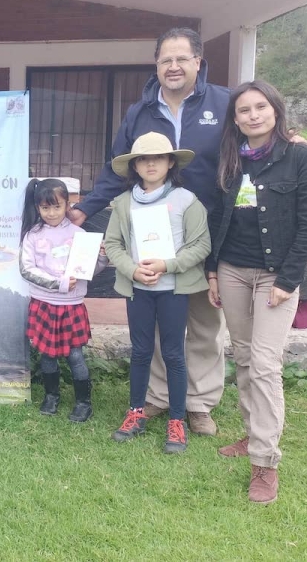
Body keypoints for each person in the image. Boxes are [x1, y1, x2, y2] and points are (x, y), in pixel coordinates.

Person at [67, 27, 228, 436]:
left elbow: (252, 144)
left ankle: (199, 402)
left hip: (203, 230)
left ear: (198, 62)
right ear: (156, 65)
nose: (173, 67)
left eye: (181, 58)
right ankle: (158, 396)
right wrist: (85, 208)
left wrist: (289, 140)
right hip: (149, 235)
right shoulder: (139, 112)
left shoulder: (224, 104)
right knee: (158, 321)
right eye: (164, 60)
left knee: (205, 322)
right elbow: (114, 166)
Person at [206, 81, 307, 503]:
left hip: (276, 276)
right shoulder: (231, 160)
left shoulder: (300, 155)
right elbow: (219, 218)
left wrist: (288, 280)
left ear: (275, 110)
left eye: (261, 107)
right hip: (232, 270)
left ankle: (264, 462)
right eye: (244, 110)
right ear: (235, 119)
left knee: (265, 365)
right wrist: (213, 271)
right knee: (242, 357)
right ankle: (251, 434)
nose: (253, 115)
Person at [103, 132, 211, 454]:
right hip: (138, 291)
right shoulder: (123, 203)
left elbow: (201, 245)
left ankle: (177, 420)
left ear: (170, 163)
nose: (151, 163)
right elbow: (113, 245)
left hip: (172, 291)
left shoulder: (186, 200)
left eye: (159, 158)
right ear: (134, 166)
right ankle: (135, 411)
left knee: (174, 353)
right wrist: (133, 270)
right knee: (139, 351)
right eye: (144, 159)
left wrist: (168, 264)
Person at [19, 178, 107, 422]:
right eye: (45, 208)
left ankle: (83, 402)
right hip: (44, 303)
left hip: (71, 306)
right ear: (38, 208)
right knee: (47, 354)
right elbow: (26, 269)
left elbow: (88, 269)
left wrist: (101, 259)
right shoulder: (32, 236)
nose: (51, 213)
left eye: (57, 207)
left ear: (68, 204)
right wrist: (56, 283)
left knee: (74, 355)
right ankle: (51, 396)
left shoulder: (79, 234)